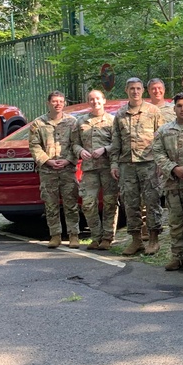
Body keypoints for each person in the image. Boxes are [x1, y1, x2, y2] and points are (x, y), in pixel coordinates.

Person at [110, 77, 163, 256]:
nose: (135, 91)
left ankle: (154, 239)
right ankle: (136, 240)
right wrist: (114, 164)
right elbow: (115, 141)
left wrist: (160, 162)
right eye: (132, 88)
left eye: (138, 88)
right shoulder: (120, 114)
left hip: (149, 163)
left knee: (152, 201)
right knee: (130, 203)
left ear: (143, 90)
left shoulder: (153, 111)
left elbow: (161, 137)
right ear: (126, 90)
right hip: (127, 165)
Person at [29, 91, 80, 248]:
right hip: (48, 170)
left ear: (64, 103)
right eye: (54, 101)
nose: (58, 104)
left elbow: (77, 144)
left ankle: (73, 235)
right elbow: (34, 145)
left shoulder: (72, 122)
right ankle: (55, 235)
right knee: (50, 204)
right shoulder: (38, 124)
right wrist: (47, 161)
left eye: (61, 101)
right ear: (48, 103)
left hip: (67, 168)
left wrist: (69, 160)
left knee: (71, 203)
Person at [152, 92, 183, 270]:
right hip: (173, 183)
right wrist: (173, 168)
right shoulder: (164, 130)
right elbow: (157, 153)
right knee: (176, 222)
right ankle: (178, 257)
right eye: (179, 106)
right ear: (174, 108)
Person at [73, 89, 118, 251]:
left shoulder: (112, 121)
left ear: (104, 100)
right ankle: (95, 236)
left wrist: (104, 149)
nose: (95, 102)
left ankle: (107, 237)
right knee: (88, 203)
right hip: (89, 169)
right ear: (88, 102)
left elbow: (117, 144)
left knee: (110, 202)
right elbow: (75, 143)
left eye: (98, 99)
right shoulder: (81, 122)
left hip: (107, 167)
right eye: (91, 99)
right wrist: (80, 151)